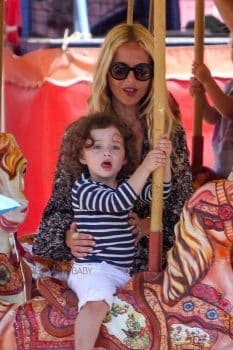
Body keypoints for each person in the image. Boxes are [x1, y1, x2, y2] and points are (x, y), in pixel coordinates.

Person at [33, 23, 192, 272]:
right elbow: (57, 212)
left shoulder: (169, 133)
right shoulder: (81, 134)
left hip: (154, 268)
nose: (131, 80)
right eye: (120, 70)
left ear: (154, 75)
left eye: (142, 71)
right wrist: (68, 238)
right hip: (97, 265)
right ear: (106, 73)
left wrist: (149, 224)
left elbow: (182, 208)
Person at [63, 112, 171, 350]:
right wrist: (146, 166)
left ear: (124, 158)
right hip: (93, 270)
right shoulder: (84, 189)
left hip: (121, 272)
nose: (107, 152)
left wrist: (165, 161)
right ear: (82, 156)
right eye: (97, 147)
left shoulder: (125, 186)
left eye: (115, 146)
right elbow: (116, 202)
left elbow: (159, 195)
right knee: (97, 302)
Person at [190, 34, 233, 178]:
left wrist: (208, 81)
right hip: (221, 167)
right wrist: (200, 96)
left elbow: (228, 111)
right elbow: (213, 117)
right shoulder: (230, 85)